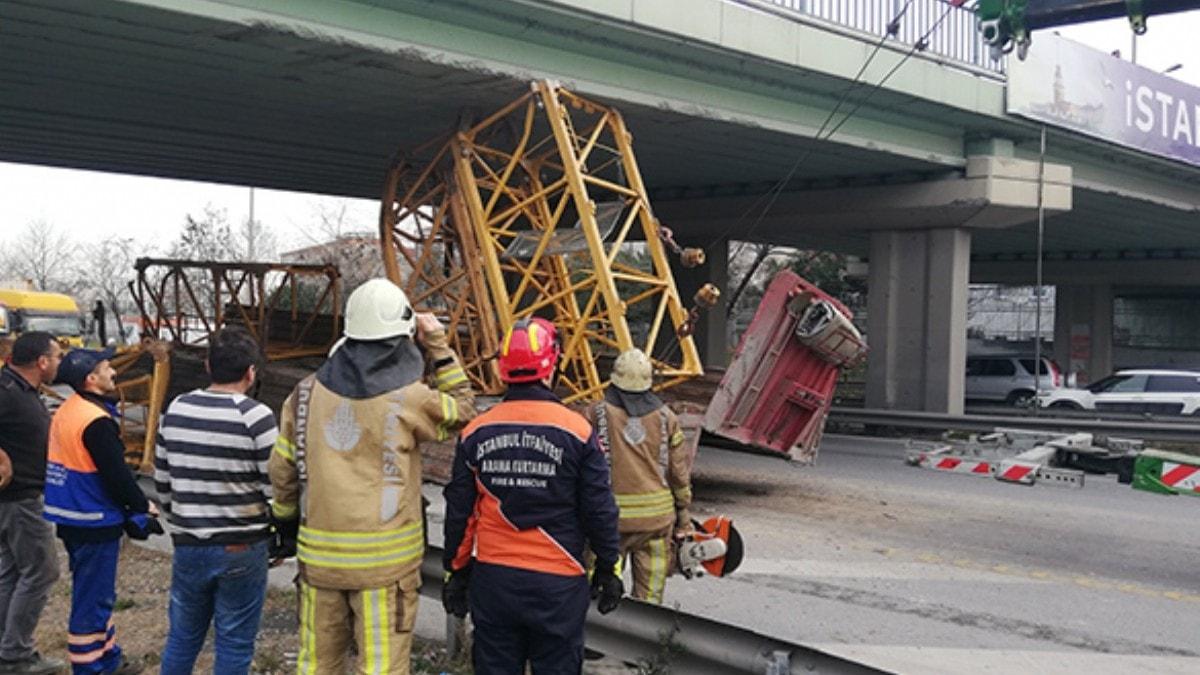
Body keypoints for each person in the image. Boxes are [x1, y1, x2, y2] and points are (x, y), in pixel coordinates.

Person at [268, 278, 475, 675]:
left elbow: (282, 467)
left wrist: (284, 518)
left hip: (319, 565)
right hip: (385, 570)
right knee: (381, 669)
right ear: (401, 338)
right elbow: (464, 409)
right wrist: (436, 343)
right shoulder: (409, 399)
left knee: (316, 665)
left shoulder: (304, 393)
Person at [442, 317, 623, 675]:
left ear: (503, 369)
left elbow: (461, 514)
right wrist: (608, 565)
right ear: (551, 364)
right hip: (558, 584)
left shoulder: (476, 431)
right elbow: (599, 509)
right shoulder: (577, 431)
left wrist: (456, 571)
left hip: (495, 582)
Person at [153, 327, 278, 675]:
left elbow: (163, 479)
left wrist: (178, 518)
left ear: (208, 365)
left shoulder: (176, 408)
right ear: (251, 373)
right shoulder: (257, 416)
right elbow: (275, 487)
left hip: (189, 542)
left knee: (182, 636)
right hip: (241, 546)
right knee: (235, 641)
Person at [43, 348, 160, 675]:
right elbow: (116, 474)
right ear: (90, 379)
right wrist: (141, 505)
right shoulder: (95, 421)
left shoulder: (70, 409)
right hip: (93, 517)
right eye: (107, 368)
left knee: (97, 594)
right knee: (92, 601)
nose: (113, 373)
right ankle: (90, 667)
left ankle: (107, 657)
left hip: (73, 515)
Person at [588, 348, 692, 604]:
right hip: (656, 525)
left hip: (609, 524)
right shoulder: (667, 418)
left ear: (614, 379)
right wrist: (684, 517)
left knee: (598, 590)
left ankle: (599, 638)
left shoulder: (595, 413)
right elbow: (678, 474)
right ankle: (644, 636)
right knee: (650, 598)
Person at [0, 332, 65, 675]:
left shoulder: (20, 390)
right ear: (41, 361)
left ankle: (6, 647)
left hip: (17, 499)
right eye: (55, 357)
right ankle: (16, 655)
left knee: (12, 572)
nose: (58, 363)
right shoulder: (7, 391)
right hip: (20, 500)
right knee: (42, 571)